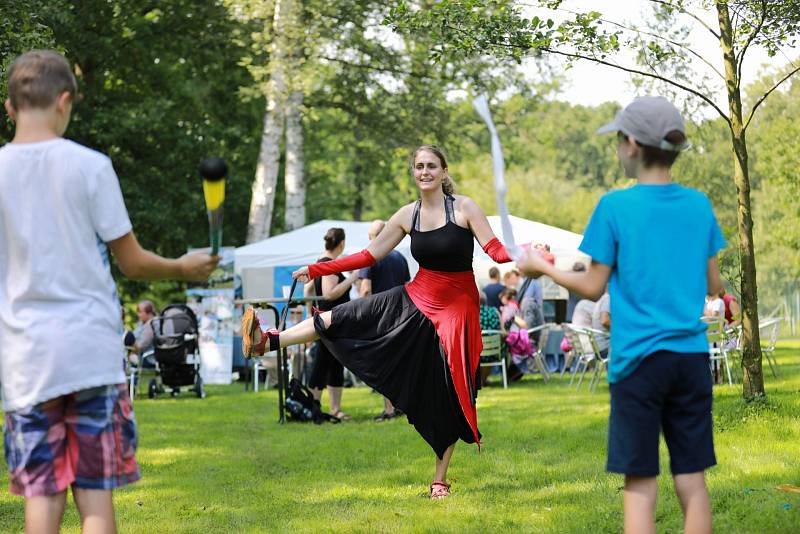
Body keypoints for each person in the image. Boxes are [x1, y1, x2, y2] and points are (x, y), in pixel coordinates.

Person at [0, 50, 219, 534]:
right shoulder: (91, 166)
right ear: (65, 102)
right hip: (90, 353)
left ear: (10, 107)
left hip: (25, 359)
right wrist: (183, 266)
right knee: (95, 492)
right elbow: (132, 261)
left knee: (43, 493)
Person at [242, 144, 514, 499]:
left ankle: (440, 480)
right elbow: (368, 255)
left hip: (456, 312)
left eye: (432, 165)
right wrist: (316, 268)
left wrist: (525, 254)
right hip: (416, 297)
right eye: (419, 166)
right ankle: (269, 341)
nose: (425, 171)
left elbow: (494, 249)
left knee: (449, 394)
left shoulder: (464, 208)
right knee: (342, 316)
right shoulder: (407, 215)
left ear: (444, 171)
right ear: (413, 172)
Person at [519, 96, 724, 534]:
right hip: (689, 359)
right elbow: (714, 285)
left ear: (631, 144)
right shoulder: (698, 205)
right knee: (691, 476)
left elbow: (592, 286)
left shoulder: (615, 207)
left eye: (616, 140)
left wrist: (542, 267)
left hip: (638, 364)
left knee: (640, 480)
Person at [358, 219, 411, 421]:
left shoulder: (370, 258)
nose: (369, 239)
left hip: (379, 317)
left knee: (384, 362)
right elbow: (408, 286)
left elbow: (365, 290)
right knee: (400, 362)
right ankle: (403, 404)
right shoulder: (400, 258)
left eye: (371, 236)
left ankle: (390, 409)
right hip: (401, 314)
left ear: (377, 237)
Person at [305, 227, 359, 420]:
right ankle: (313, 406)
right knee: (323, 363)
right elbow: (329, 293)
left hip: (327, 320)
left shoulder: (319, 263)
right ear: (342, 243)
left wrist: (310, 312)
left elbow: (307, 290)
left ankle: (332, 408)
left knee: (334, 363)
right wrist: (351, 278)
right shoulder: (329, 265)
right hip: (332, 321)